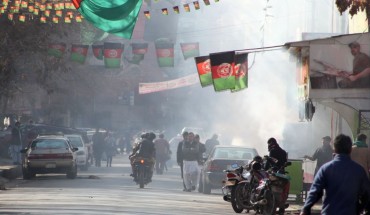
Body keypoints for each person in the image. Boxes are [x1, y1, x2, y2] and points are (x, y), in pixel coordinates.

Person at [300, 134, 370, 215]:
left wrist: (306, 209)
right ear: (350, 150)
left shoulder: (325, 169)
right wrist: (360, 208)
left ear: (335, 149)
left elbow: (315, 192)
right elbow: (366, 194)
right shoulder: (359, 170)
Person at [264, 137, 289, 214]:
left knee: (267, 186)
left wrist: (265, 168)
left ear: (270, 143)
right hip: (282, 174)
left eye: (269, 144)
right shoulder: (283, 152)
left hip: (274, 173)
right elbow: (284, 162)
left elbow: (269, 162)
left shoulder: (273, 151)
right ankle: (282, 208)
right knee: (284, 190)